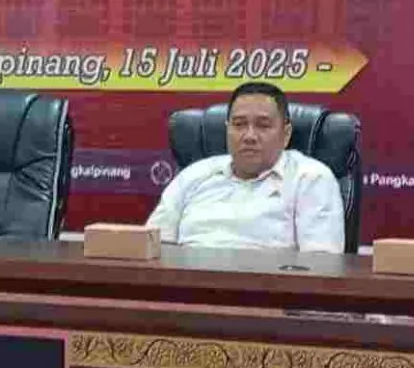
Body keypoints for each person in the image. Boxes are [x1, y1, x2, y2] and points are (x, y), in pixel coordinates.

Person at [145, 81, 344, 251]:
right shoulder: (194, 175)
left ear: (286, 134)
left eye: (263, 125)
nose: (249, 136)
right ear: (227, 130)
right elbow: (151, 246)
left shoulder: (310, 178)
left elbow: (321, 265)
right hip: (184, 281)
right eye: (239, 124)